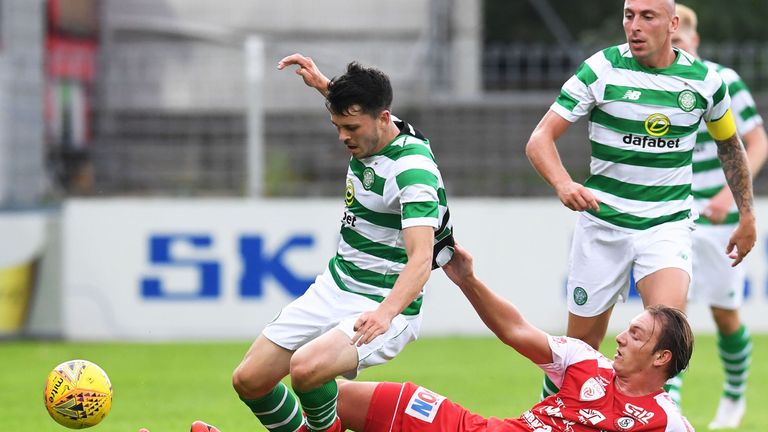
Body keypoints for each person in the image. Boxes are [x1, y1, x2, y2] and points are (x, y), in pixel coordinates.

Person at [170, 245, 695, 432]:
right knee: (336, 396)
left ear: (662, 357)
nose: (621, 337)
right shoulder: (584, 362)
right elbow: (515, 331)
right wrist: (465, 278)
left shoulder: (666, 423)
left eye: (637, 334)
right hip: (472, 427)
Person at [524, 0, 756, 401]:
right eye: (629, 15)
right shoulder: (601, 69)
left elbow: (731, 147)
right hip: (603, 223)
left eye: (647, 17)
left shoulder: (705, 82)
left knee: (665, 342)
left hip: (666, 226)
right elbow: (539, 139)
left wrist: (747, 216)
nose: (635, 26)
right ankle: (549, 417)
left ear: (673, 24)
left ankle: (658, 422)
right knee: (579, 352)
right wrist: (563, 184)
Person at [229, 54, 455, 432]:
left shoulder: (411, 171)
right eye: (337, 125)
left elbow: (420, 260)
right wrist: (324, 86)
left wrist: (385, 314)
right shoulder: (379, 127)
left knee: (306, 369)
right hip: (336, 286)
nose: (342, 137)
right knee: (249, 380)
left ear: (383, 119)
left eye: (350, 127)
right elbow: (358, 106)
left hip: (384, 304)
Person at [670, 4, 767, 428]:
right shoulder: (651, 82)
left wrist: (732, 199)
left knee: (725, 316)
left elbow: (757, 141)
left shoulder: (721, 80)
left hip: (719, 217)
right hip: (672, 214)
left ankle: (733, 393)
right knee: (670, 311)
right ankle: (668, 407)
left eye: (679, 41)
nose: (672, 48)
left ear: (694, 42)